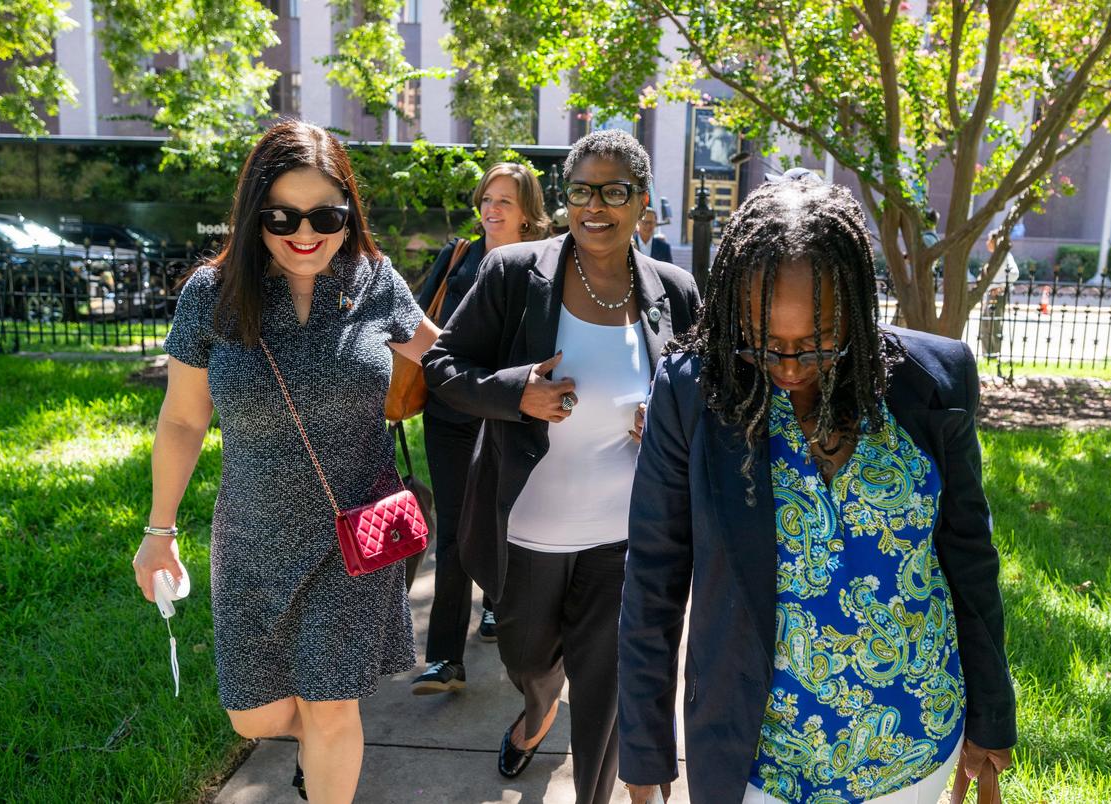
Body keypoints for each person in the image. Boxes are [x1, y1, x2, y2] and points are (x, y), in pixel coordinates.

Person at [619, 172, 1016, 803]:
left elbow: (969, 557)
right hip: (763, 765)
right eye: (762, 342)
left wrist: (992, 717)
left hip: (915, 750)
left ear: (857, 307)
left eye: (817, 343)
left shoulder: (932, 384)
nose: (788, 368)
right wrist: (644, 755)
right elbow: (653, 579)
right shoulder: (695, 394)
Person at [131, 119, 439, 804]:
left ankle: (328, 765)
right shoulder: (211, 297)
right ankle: (317, 750)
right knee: (257, 714)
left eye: (326, 215)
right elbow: (183, 418)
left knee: (333, 706)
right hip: (252, 539)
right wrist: (160, 529)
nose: (306, 233)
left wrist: (522, 382)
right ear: (253, 215)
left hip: (351, 536)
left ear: (349, 213)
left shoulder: (376, 281)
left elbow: (443, 358)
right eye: (282, 216)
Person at [423, 129, 700, 804]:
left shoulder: (676, 290)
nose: (595, 206)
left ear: (641, 203)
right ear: (566, 199)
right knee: (528, 660)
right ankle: (539, 707)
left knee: (604, 687)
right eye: (582, 190)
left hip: (624, 536)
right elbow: (444, 367)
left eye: (614, 191)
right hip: (526, 532)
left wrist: (668, 420)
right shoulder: (516, 274)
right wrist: (517, 392)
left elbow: (705, 393)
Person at [410, 163, 551, 695]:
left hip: (511, 416)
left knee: (505, 521)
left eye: (505, 202)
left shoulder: (544, 264)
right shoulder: (459, 256)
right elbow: (419, 317)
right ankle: (445, 658)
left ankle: (496, 607)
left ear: (527, 213)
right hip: (449, 414)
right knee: (452, 531)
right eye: (487, 199)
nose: (491, 210)